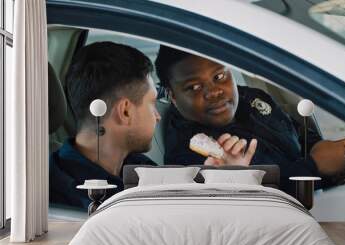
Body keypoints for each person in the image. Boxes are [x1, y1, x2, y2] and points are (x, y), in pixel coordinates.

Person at [50, 42, 252, 209]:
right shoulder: (67, 199)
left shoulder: (138, 166)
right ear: (126, 111)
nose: (157, 116)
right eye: (152, 103)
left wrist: (219, 183)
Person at [154, 45, 345, 197]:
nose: (214, 92)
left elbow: (295, 131)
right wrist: (315, 168)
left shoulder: (252, 98)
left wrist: (326, 152)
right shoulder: (189, 155)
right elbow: (251, 200)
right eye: (195, 88)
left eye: (219, 76)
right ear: (172, 95)